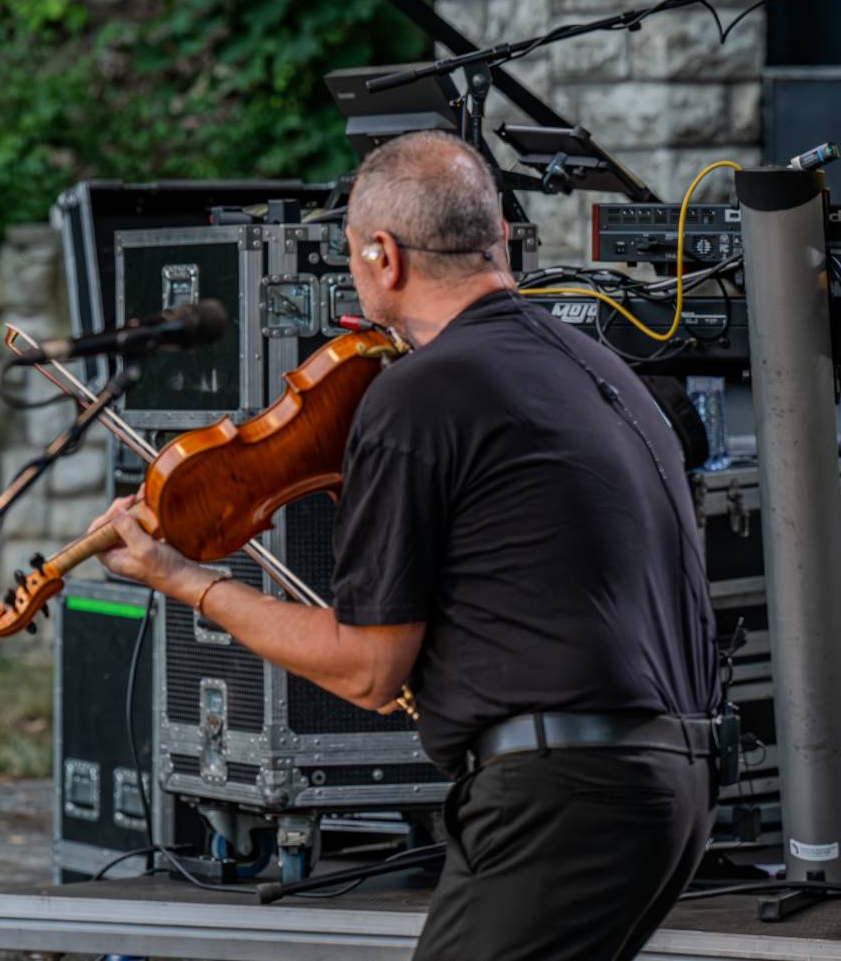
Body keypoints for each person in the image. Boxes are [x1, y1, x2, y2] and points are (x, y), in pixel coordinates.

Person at [92, 130, 720, 961]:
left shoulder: (422, 392)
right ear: (495, 235)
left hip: (565, 794)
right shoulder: (594, 364)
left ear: (382, 256)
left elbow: (369, 669)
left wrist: (185, 580)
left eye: (351, 257)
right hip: (677, 775)